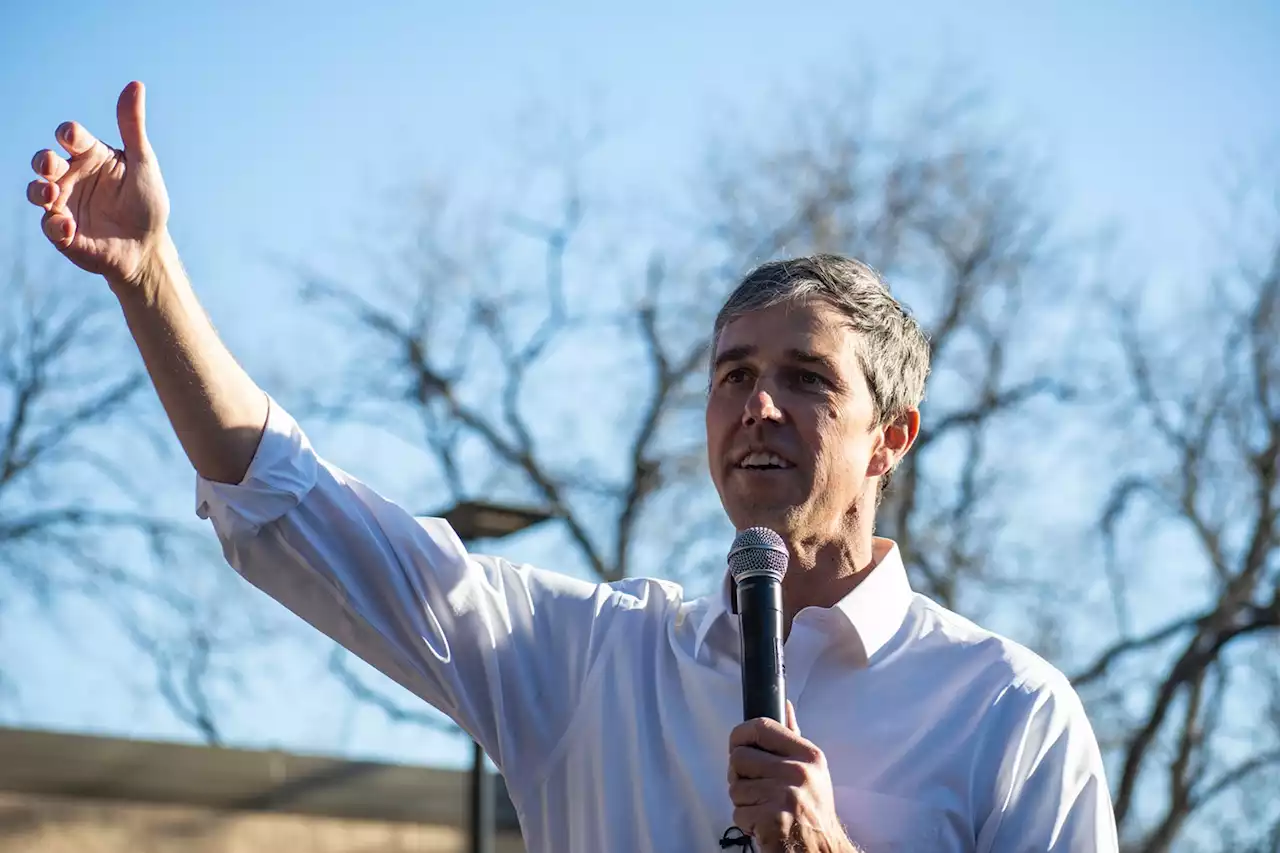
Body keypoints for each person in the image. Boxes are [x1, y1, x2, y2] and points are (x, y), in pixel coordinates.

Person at [24, 81, 1119, 853]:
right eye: (731, 375)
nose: (758, 405)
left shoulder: (1005, 711)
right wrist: (150, 280)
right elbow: (294, 510)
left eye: (806, 379)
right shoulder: (595, 664)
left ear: (891, 436)